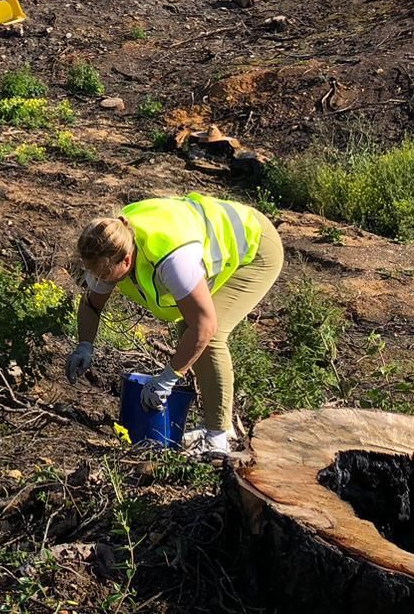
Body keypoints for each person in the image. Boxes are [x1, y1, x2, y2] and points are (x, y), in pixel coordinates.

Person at [66, 194, 284, 455]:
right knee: (190, 331)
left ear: (126, 261)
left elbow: (205, 327)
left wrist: (165, 381)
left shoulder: (173, 262)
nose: (98, 280)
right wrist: (84, 346)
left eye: (102, 274)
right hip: (210, 240)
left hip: (256, 246)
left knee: (209, 336)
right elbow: (91, 305)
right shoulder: (112, 243)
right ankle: (216, 425)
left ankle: (218, 439)